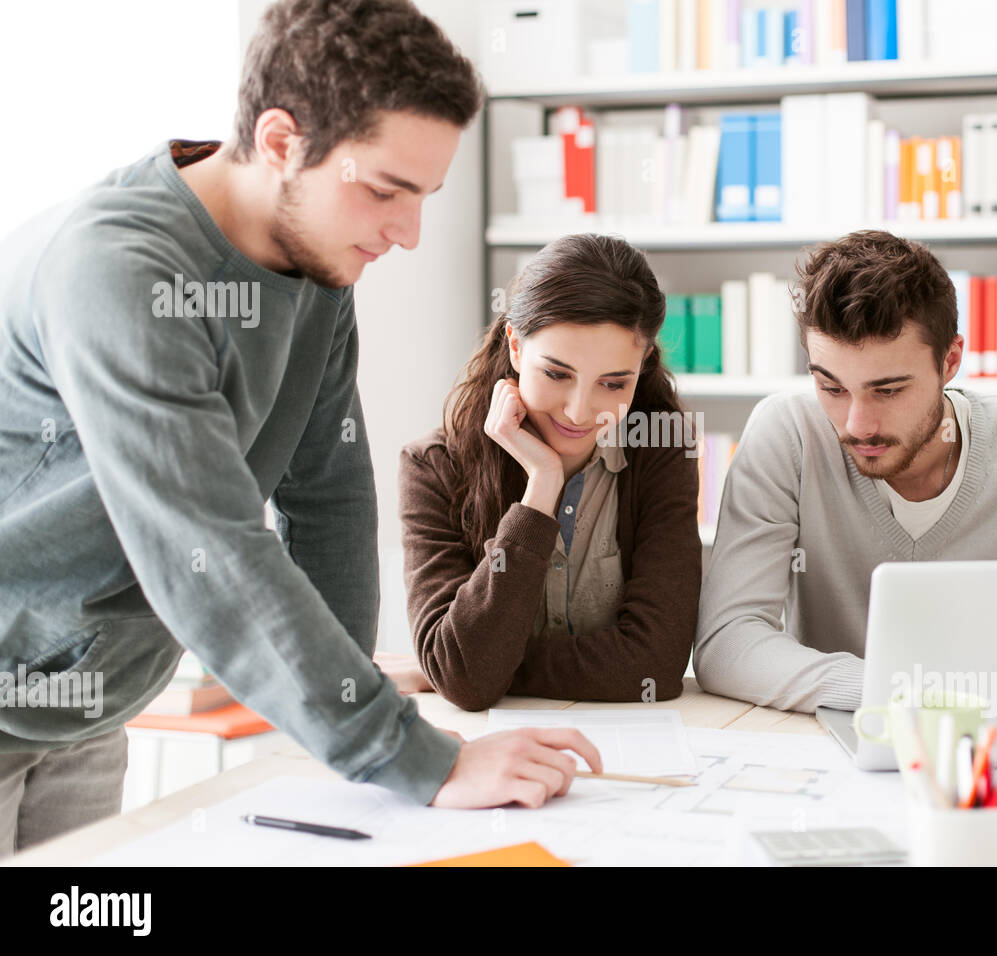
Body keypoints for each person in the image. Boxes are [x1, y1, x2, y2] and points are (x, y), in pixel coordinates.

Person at [0, 0, 598, 859]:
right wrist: (407, 755)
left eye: (425, 196)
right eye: (387, 191)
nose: (409, 233)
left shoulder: (316, 271)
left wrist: (353, 717)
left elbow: (329, 495)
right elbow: (209, 550)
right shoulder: (119, 271)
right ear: (280, 141)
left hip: (88, 712)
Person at [694, 230, 997, 713]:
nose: (856, 424)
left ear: (950, 361)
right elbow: (728, 644)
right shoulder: (787, 434)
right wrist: (908, 694)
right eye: (832, 387)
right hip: (829, 742)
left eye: (887, 390)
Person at [382, 233, 701, 711]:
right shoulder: (433, 468)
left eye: (613, 383)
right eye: (556, 374)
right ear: (515, 345)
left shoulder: (661, 451)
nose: (578, 411)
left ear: (643, 365)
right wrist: (541, 487)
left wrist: (464, 667)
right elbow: (466, 681)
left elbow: (654, 665)